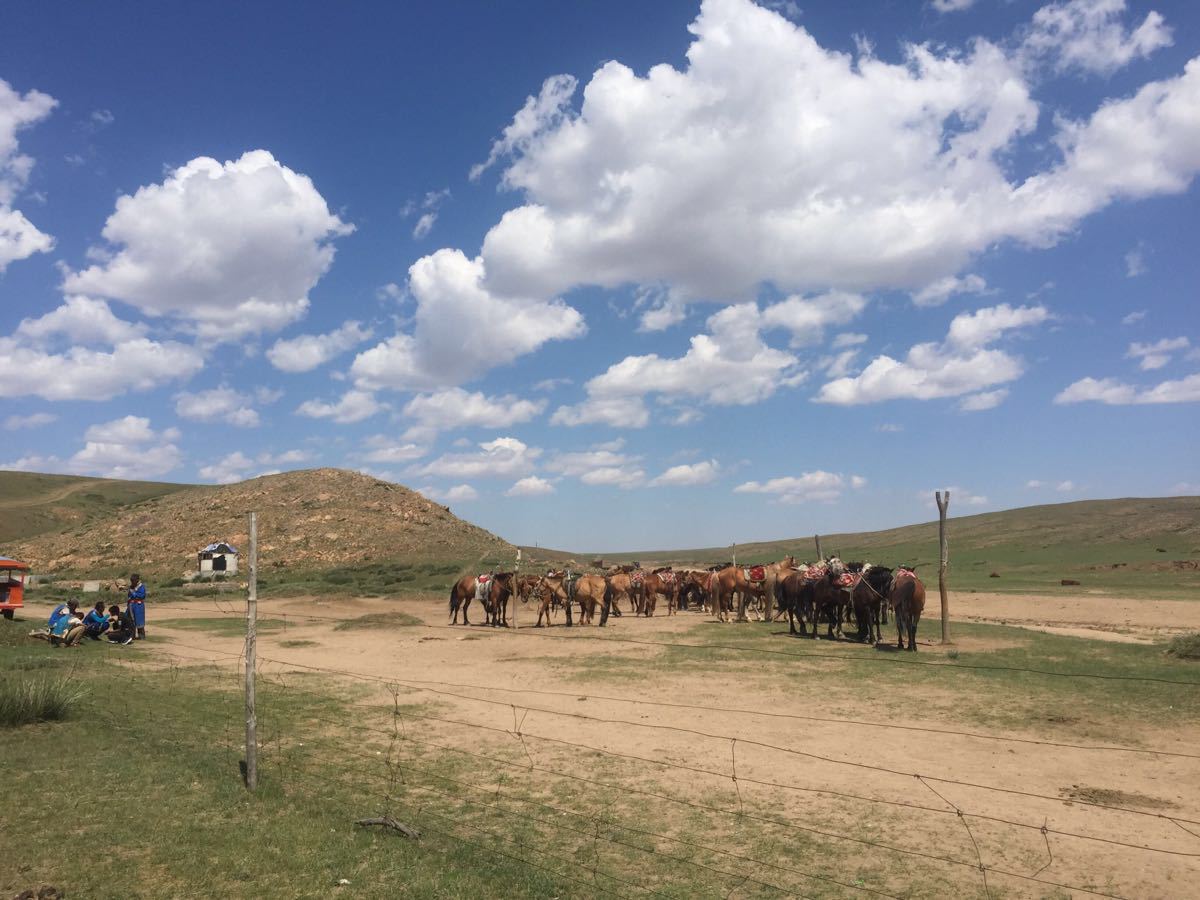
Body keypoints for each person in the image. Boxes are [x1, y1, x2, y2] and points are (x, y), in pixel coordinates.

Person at [126, 573, 147, 640]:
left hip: (138, 606)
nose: (132, 582)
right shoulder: (131, 587)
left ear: (137, 580)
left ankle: (141, 636)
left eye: (133, 580)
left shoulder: (141, 587)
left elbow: (142, 596)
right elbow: (129, 596)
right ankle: (132, 636)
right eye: (131, 580)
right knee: (131, 621)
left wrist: (134, 593)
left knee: (139, 620)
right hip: (131, 605)